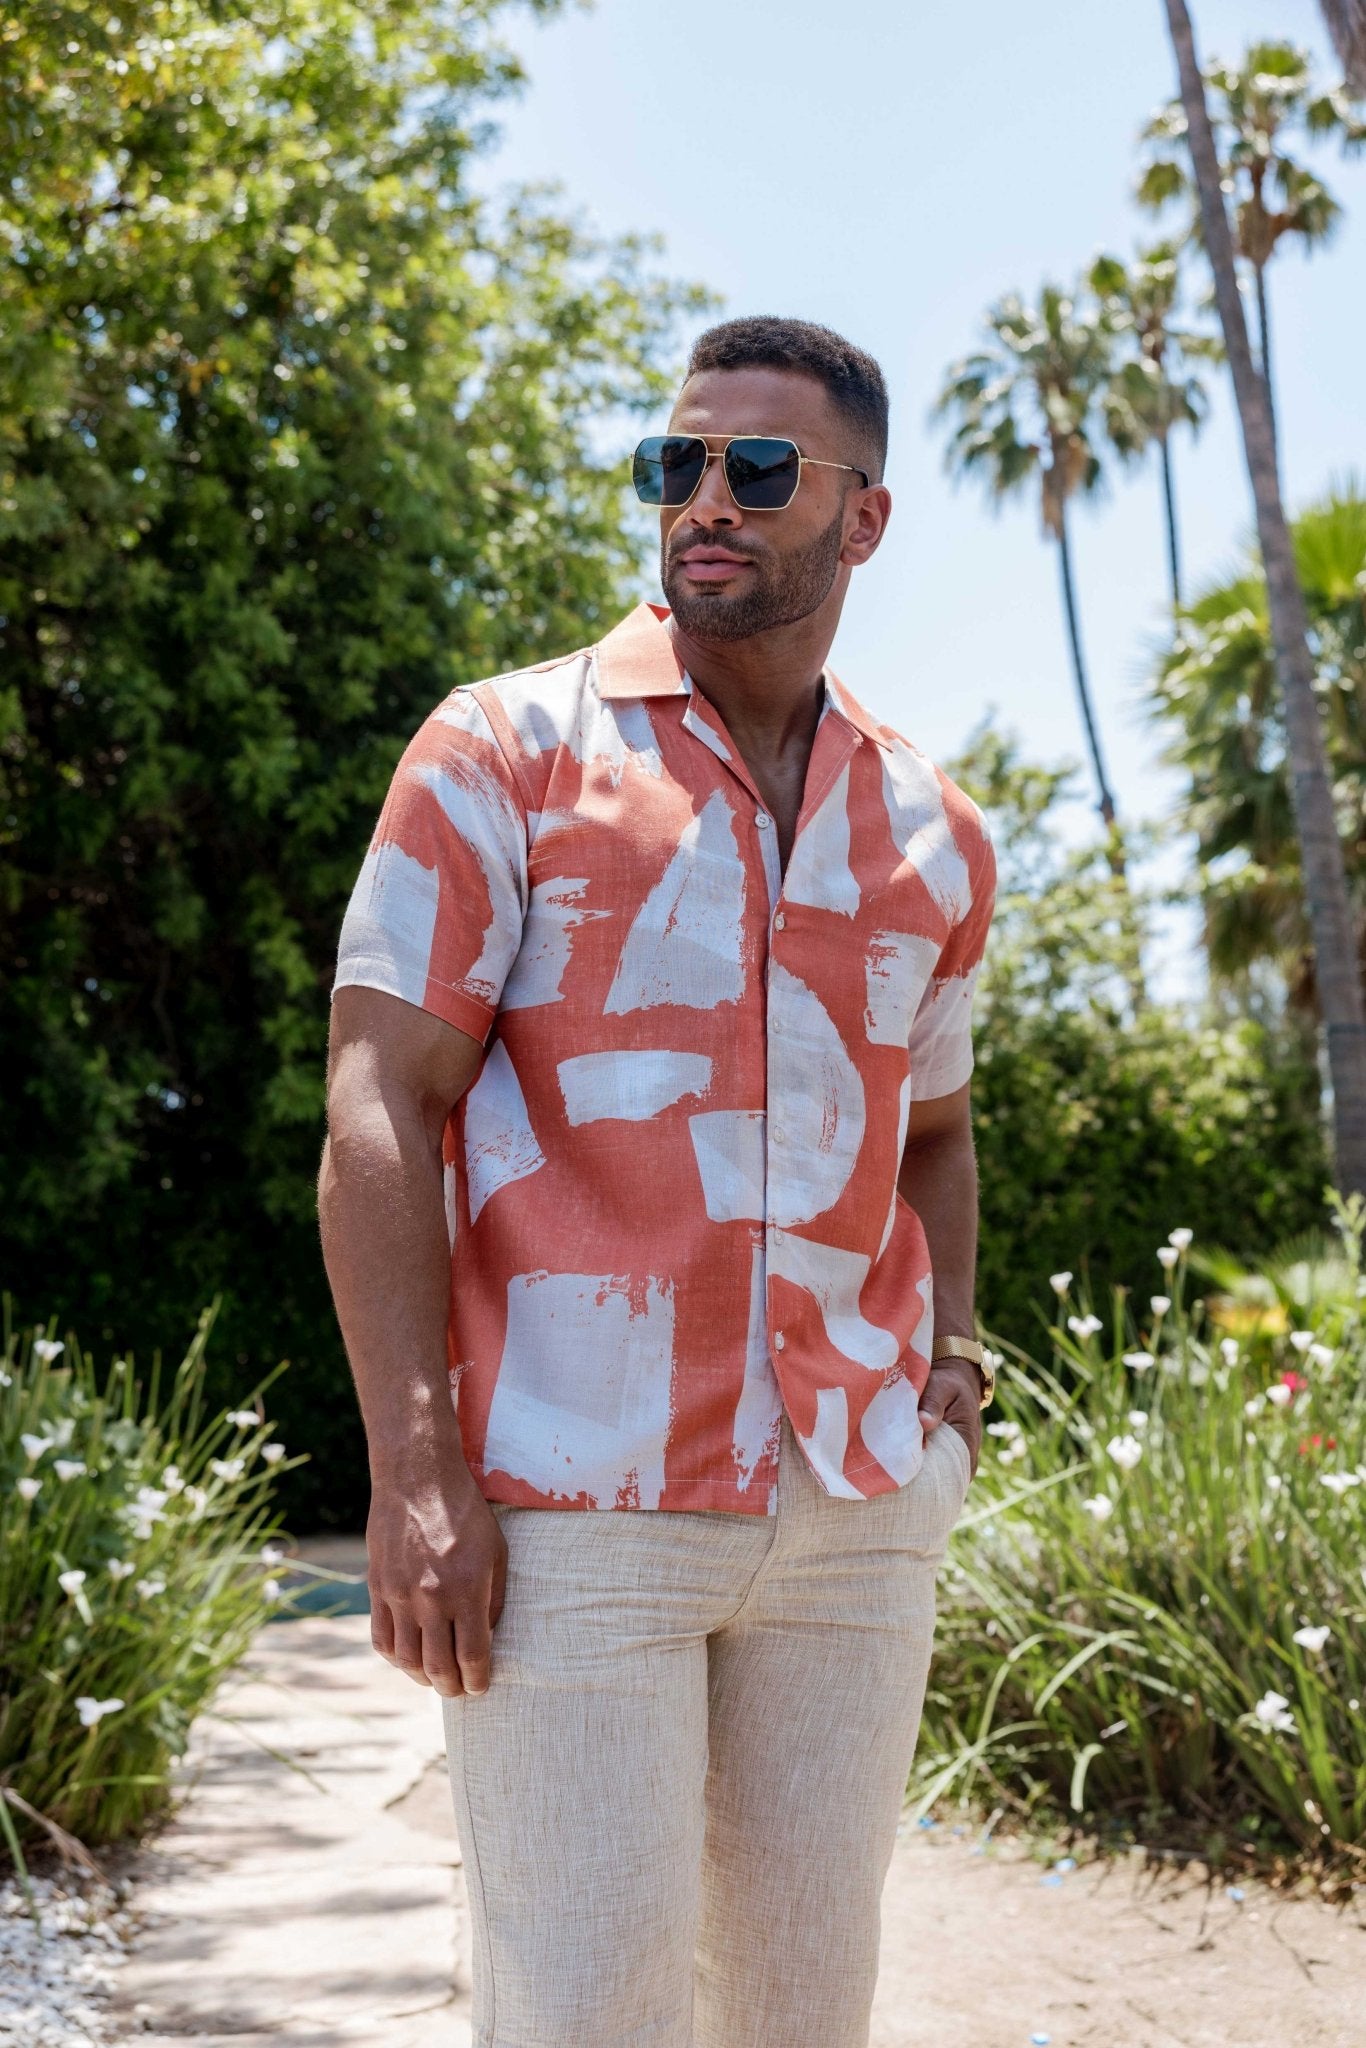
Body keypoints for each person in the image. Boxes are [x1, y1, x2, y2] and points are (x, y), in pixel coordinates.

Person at [318, 314, 998, 2048]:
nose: (705, 498)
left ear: (860, 517)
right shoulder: (502, 752)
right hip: (572, 1505)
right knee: (585, 2017)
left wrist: (952, 1375)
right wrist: (415, 1471)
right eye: (674, 462)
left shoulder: (932, 829)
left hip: (852, 1508)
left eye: (756, 469)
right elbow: (380, 1100)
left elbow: (932, 1124)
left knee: (796, 2011)